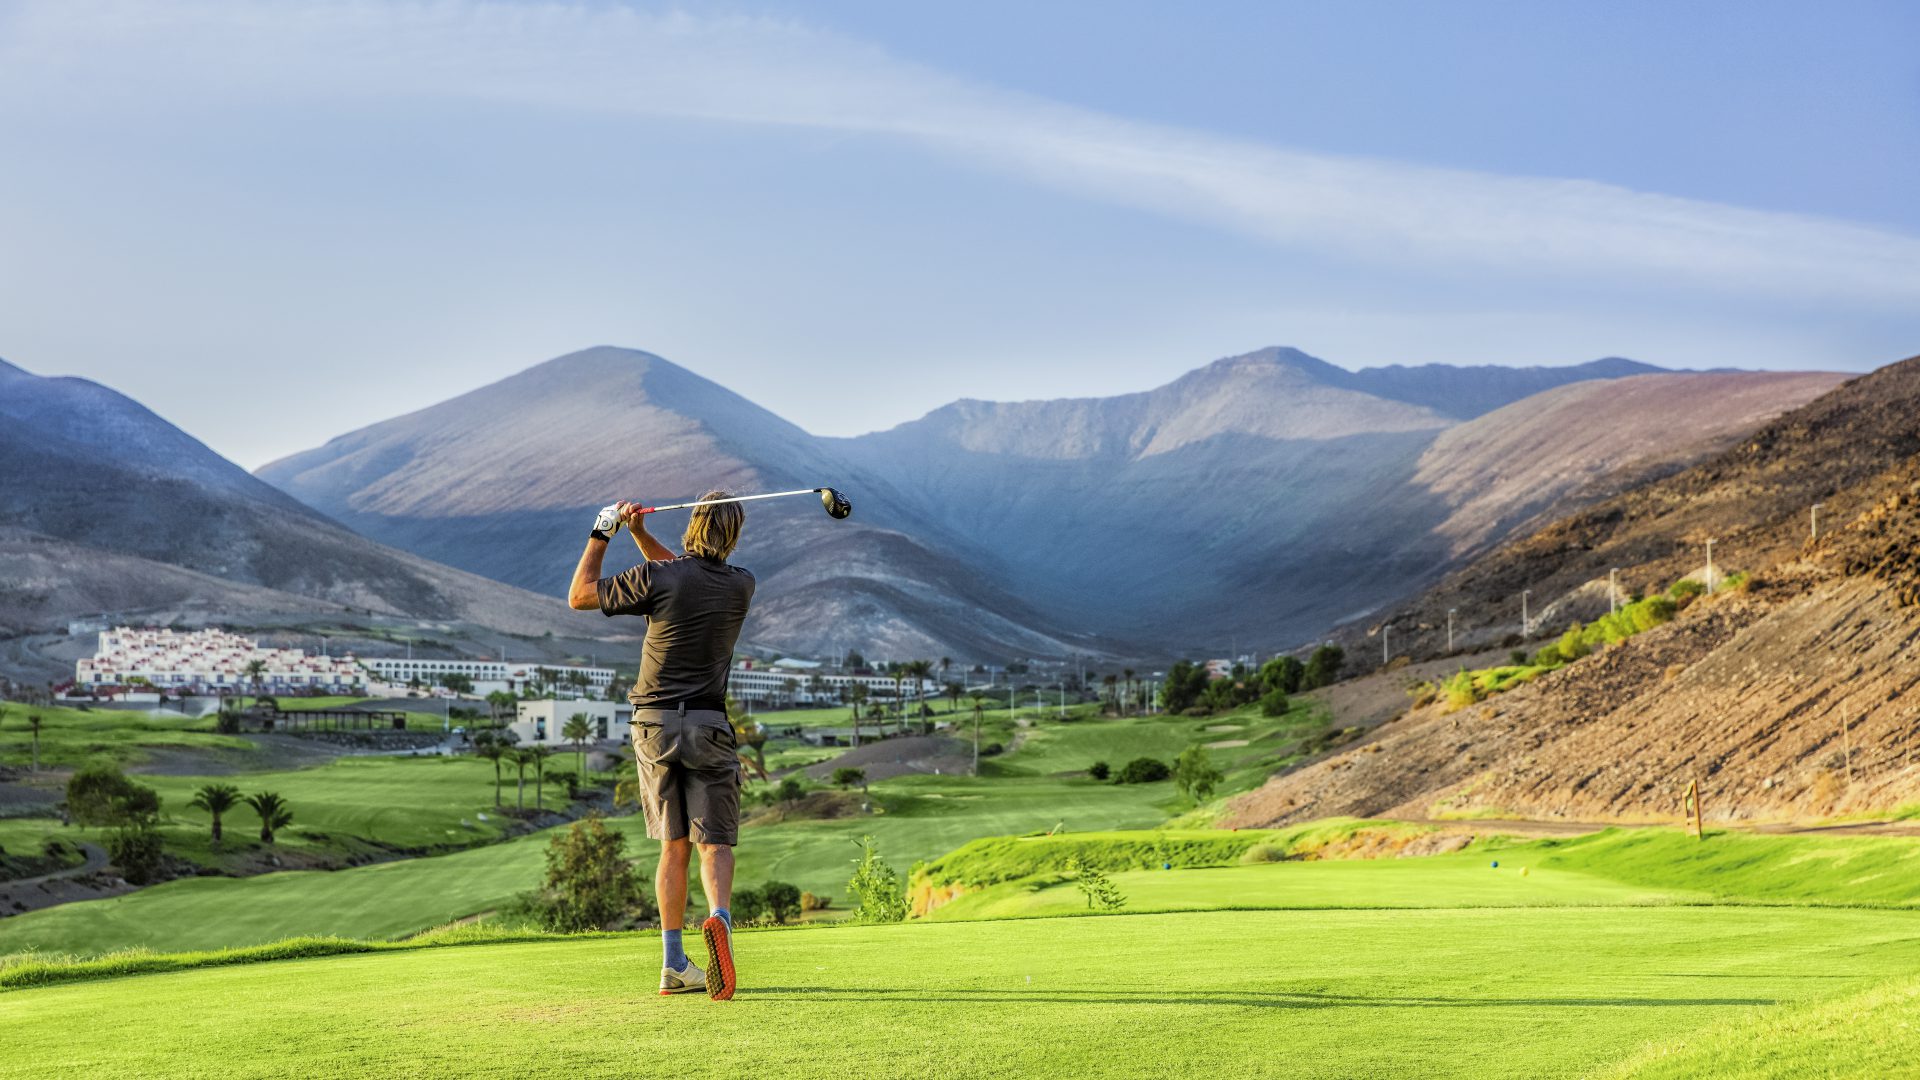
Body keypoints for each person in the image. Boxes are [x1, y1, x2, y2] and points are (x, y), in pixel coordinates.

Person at [568, 491, 755, 1001]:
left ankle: (674, 964)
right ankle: (719, 922)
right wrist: (639, 534)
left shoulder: (661, 579)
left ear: (693, 525)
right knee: (713, 840)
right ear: (733, 534)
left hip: (653, 727)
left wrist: (603, 530)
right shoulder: (742, 586)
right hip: (709, 725)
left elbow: (581, 595)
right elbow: (685, 577)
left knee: (673, 846)